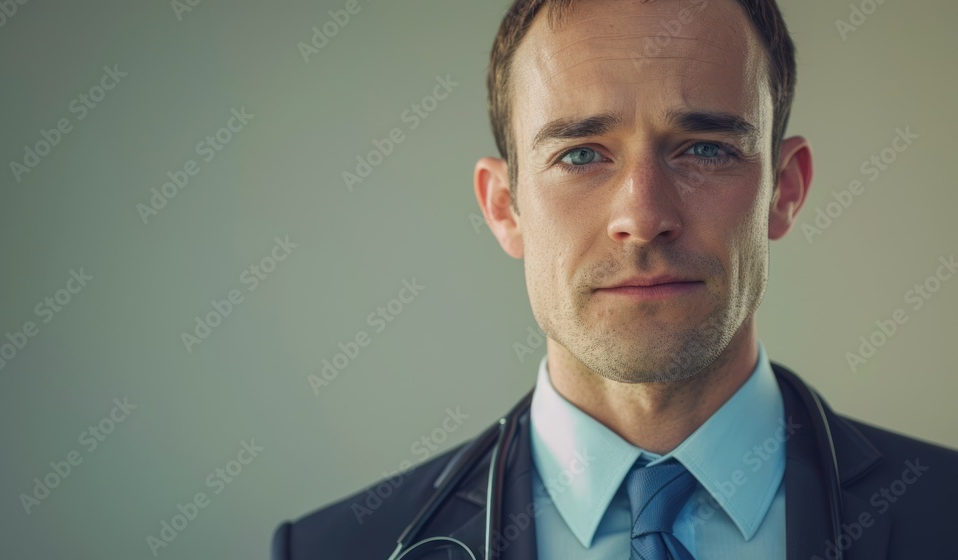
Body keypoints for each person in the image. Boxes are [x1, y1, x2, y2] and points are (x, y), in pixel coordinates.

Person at [271, 0, 958, 558]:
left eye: (707, 149)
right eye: (580, 156)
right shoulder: (336, 549)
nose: (644, 215)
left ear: (785, 190)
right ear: (504, 208)